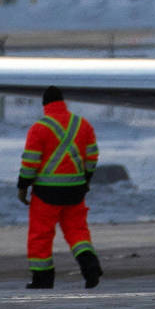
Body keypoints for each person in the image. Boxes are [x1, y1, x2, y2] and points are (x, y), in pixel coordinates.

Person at [18, 86, 102, 289]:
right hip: (75, 191)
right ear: (63, 102)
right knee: (77, 232)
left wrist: (23, 187)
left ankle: (43, 278)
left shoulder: (39, 128)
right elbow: (92, 157)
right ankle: (89, 265)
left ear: (45, 105)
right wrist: (86, 179)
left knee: (41, 235)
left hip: (46, 193)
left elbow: (30, 162)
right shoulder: (83, 125)